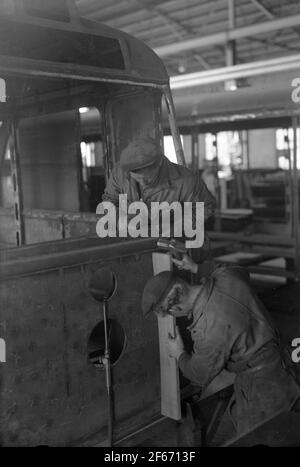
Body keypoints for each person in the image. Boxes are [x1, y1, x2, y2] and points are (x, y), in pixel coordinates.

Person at [141, 254, 300, 436]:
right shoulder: (226, 276)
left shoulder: (208, 329)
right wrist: (196, 267)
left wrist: (179, 354)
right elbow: (240, 271)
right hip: (285, 359)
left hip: (264, 383)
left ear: (174, 309)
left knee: (263, 437)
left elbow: (199, 375)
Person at [102, 137, 216, 259]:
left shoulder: (186, 180)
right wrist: (122, 220)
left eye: (147, 178)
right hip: (138, 243)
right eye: (137, 178)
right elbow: (110, 200)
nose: (143, 183)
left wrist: (174, 228)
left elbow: (205, 208)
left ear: (160, 163)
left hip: (179, 244)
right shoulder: (120, 173)